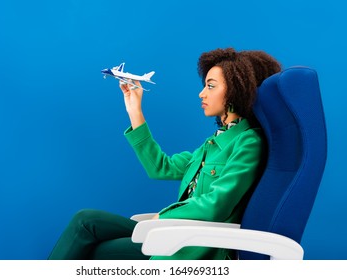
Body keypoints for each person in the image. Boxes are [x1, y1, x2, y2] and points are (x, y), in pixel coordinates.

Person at [48, 47, 281, 260]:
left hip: (196, 246)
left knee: (90, 239)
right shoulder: (213, 143)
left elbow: (217, 204)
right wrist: (134, 110)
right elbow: (160, 167)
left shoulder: (249, 142)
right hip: (174, 232)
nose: (201, 94)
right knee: (87, 222)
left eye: (211, 86)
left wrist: (164, 217)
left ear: (236, 91)